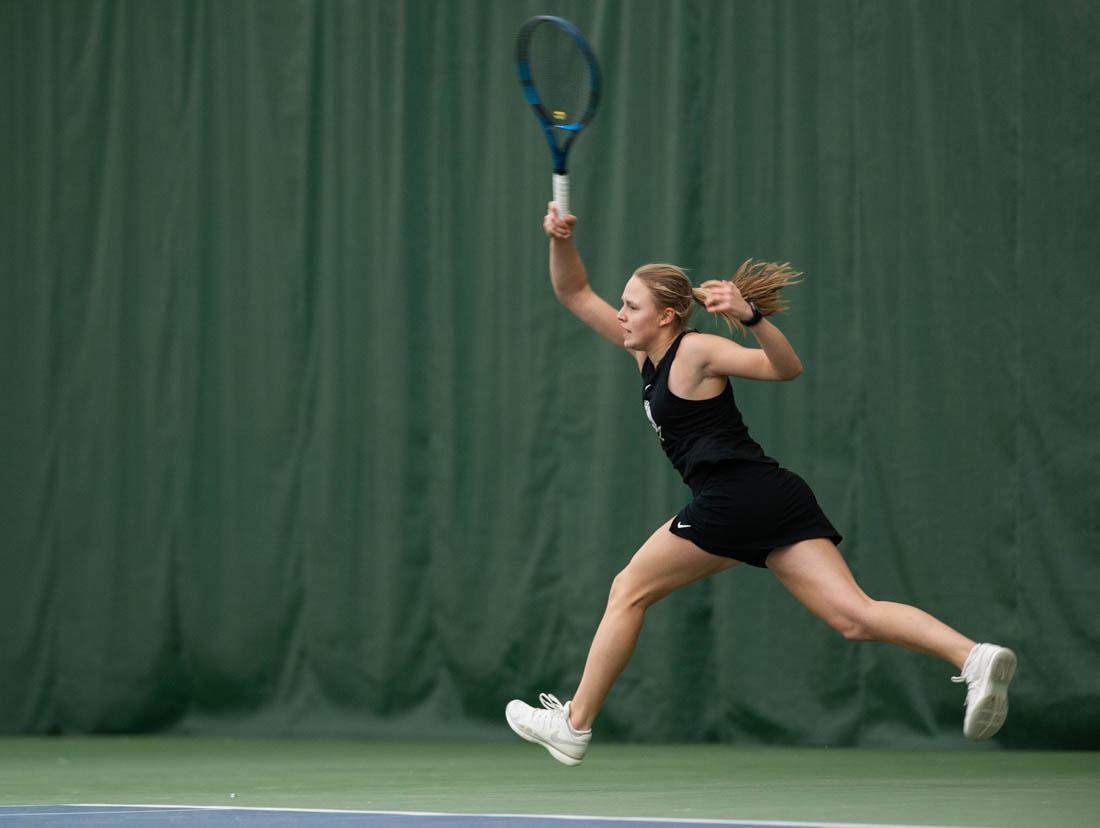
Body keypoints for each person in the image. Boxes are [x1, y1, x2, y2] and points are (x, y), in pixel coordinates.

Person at [504, 204, 1017, 766]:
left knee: (629, 589)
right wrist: (560, 239)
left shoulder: (696, 352)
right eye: (623, 304)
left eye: (632, 305)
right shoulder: (644, 354)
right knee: (855, 617)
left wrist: (752, 318)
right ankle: (974, 658)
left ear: (669, 316)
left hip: (734, 496)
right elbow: (574, 293)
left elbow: (785, 368)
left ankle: (574, 725)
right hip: (773, 495)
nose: (621, 313)